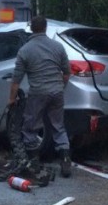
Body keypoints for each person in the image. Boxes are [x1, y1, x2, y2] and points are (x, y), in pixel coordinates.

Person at [8, 15, 72, 178]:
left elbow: (16, 80)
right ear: (45, 27)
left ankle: (34, 162)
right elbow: (66, 73)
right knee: (58, 126)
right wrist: (60, 88)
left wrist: (11, 99)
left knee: (30, 127)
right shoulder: (58, 47)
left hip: (37, 93)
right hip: (57, 92)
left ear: (31, 29)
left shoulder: (25, 50)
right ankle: (65, 160)